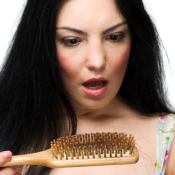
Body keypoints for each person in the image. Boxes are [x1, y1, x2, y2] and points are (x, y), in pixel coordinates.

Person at [0, 0, 174, 174]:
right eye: (72, 41)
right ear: (40, 46)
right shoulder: (8, 129)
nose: (97, 61)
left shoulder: (168, 141)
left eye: (114, 37)